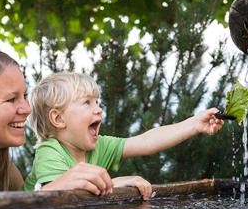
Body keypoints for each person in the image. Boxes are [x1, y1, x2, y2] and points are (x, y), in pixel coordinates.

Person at [0, 48, 111, 194]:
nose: (27, 109)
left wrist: (111, 186)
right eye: (11, 99)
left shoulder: (1, 168)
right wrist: (47, 193)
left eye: (25, 95)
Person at [22, 72, 224, 200]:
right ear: (58, 118)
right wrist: (117, 182)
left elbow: (146, 141)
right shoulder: (50, 151)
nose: (99, 110)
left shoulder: (99, 145)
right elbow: (61, 197)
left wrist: (194, 124)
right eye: (87, 103)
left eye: (97, 102)